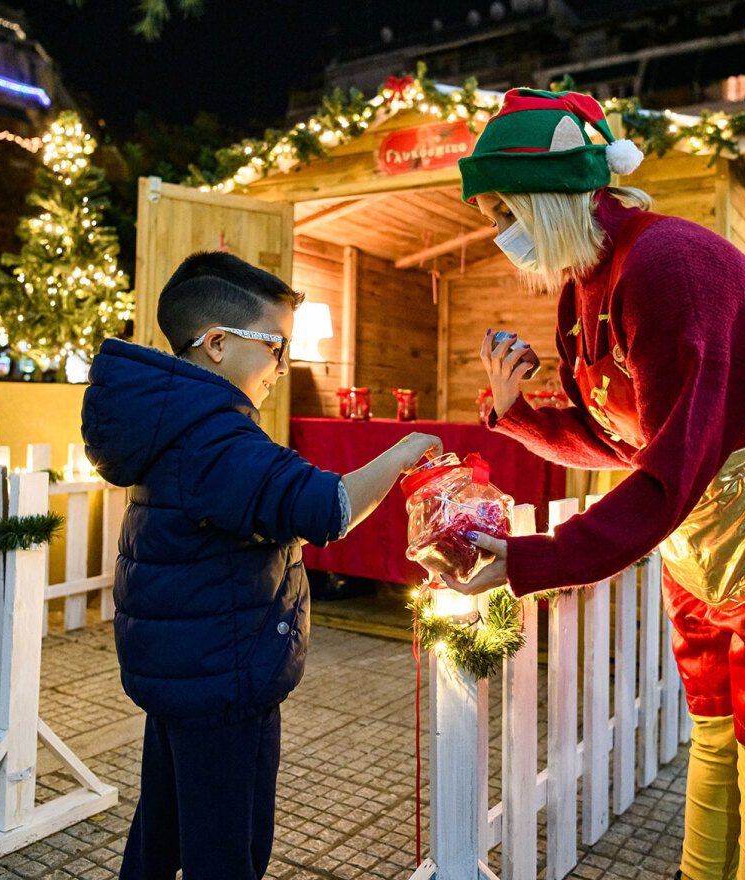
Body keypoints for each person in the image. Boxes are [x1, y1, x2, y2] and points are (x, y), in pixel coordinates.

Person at [449, 88, 745, 880]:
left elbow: (670, 462)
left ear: (554, 199)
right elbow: (618, 436)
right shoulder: (583, 288)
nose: (500, 234)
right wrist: (516, 413)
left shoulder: (669, 267)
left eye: (506, 211)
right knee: (711, 712)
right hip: (705, 514)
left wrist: (534, 560)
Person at [81, 251, 441, 880]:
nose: (283, 365)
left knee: (162, 828)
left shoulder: (177, 423)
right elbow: (324, 508)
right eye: (276, 346)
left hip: (183, 667)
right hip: (222, 673)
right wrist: (404, 453)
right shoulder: (214, 439)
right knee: (228, 847)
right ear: (217, 344)